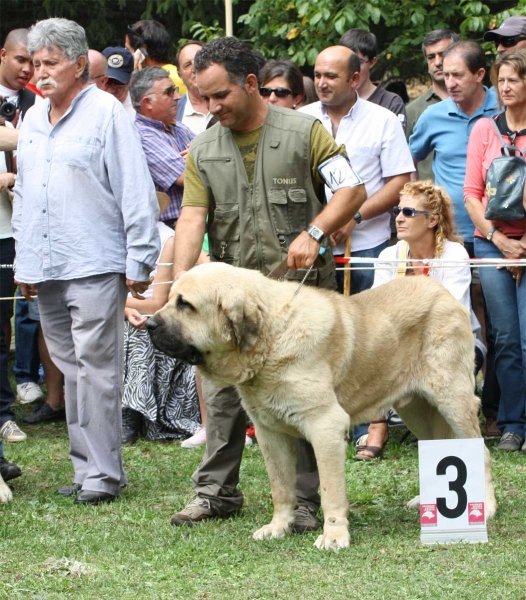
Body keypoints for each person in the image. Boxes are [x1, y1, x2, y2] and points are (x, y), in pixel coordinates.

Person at [169, 37, 366, 529]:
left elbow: (352, 188)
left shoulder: (306, 131)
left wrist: (316, 230)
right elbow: (192, 217)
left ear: (251, 83)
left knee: (298, 397)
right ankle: (214, 491)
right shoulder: (204, 148)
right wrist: (178, 289)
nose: (212, 108)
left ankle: (304, 501)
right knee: (220, 396)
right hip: (225, 303)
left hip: (296, 301)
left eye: (220, 96)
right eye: (204, 97)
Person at [12, 18, 160, 504]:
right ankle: (85, 470)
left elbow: (134, 188)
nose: (41, 71)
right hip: (47, 265)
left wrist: (141, 257)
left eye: (51, 62)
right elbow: (30, 196)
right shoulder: (32, 117)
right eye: (36, 63)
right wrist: (25, 263)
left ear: (79, 65)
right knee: (71, 370)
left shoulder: (106, 113)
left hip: (95, 261)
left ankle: (103, 476)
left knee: (96, 369)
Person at [300, 45, 414, 456]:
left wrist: (355, 216)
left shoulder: (382, 120)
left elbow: (401, 179)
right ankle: (325, 421)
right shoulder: (301, 120)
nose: (324, 82)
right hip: (314, 249)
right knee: (321, 339)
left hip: (367, 246)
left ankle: (374, 425)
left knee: (370, 341)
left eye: (333, 75)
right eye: (318, 75)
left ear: (355, 78)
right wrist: (320, 225)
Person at [360, 181, 487, 458]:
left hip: (454, 347)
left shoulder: (455, 254)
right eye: (397, 211)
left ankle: (465, 472)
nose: (399, 218)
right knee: (408, 401)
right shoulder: (387, 257)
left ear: (432, 220)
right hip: (404, 353)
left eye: (408, 211)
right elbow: (376, 317)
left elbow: (452, 317)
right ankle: (438, 479)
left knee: (445, 400)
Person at [464, 50, 526, 452]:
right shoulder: (484, 129)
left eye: (514, 81)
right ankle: (512, 423)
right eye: (501, 81)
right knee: (504, 337)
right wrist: (501, 241)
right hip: (492, 242)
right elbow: (471, 194)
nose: (505, 88)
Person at [121, 192, 203, 444]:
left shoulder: (166, 239)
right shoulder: (108, 237)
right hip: (118, 312)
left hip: (158, 318)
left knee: (140, 331)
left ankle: (131, 414)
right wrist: (121, 308)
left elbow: (157, 303)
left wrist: (114, 305)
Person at [130, 66, 194, 229]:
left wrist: (197, 155)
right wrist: (201, 155)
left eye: (176, 90)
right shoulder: (141, 135)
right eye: (169, 92)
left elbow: (217, 154)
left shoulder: (178, 127)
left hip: (195, 221)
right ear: (147, 103)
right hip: (171, 228)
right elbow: (187, 177)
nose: (178, 97)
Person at [406, 29, 459, 182]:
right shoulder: (413, 110)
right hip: (429, 202)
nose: (437, 62)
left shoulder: (478, 103)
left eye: (443, 54)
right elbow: (404, 164)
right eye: (431, 57)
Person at [339, 28, 407, 131]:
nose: (352, 69)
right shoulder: (336, 99)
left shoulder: (390, 102)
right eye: (346, 62)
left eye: (358, 62)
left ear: (372, 62)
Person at [125, 20, 185, 95]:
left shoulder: (167, 79)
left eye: (128, 49)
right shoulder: (172, 73)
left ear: (142, 50)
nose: (126, 53)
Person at [175, 41, 212, 134]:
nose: (194, 68)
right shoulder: (174, 113)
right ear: (180, 75)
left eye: (199, 60)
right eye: (187, 65)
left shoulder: (229, 103)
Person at [102, 47, 135, 119]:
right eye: (108, 82)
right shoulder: (88, 106)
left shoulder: (138, 113)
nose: (112, 89)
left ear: (131, 80)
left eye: (118, 83)